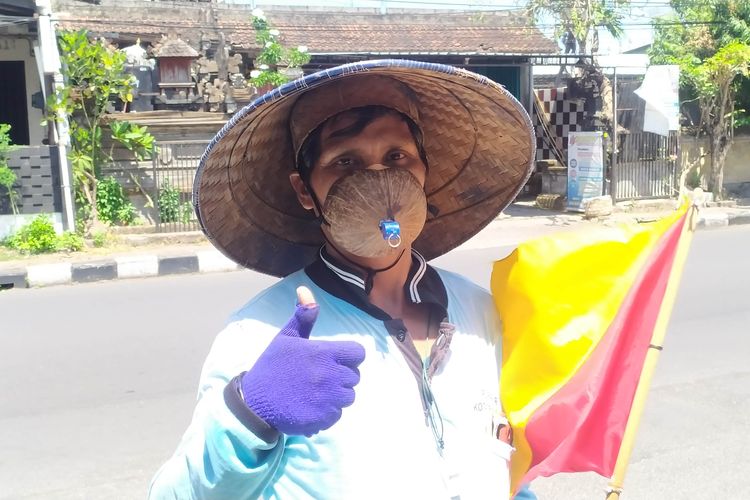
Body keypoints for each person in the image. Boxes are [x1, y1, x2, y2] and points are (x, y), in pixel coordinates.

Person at [149, 60, 536, 499]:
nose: (377, 179)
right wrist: (249, 414)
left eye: (396, 157)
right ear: (304, 191)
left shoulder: (481, 311)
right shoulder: (257, 334)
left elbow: (506, 463)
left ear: (424, 173)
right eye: (346, 161)